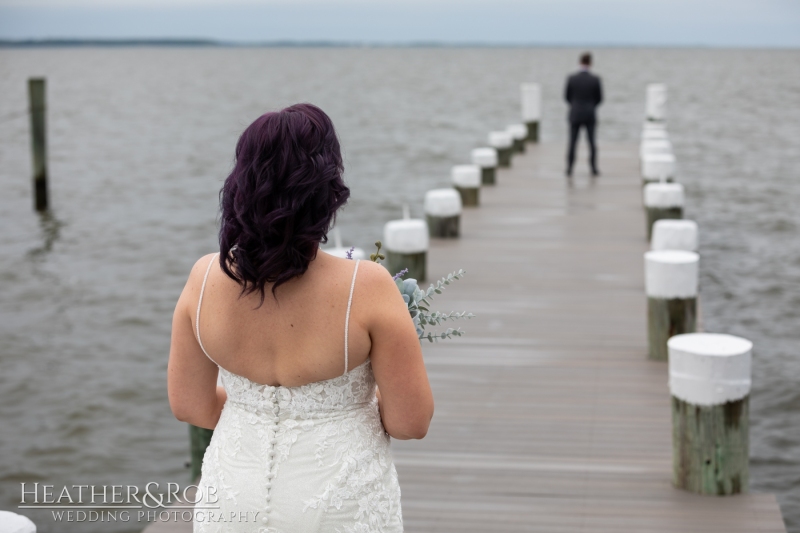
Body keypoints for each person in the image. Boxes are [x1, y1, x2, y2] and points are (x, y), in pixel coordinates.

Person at [167, 103, 433, 532]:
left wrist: (255, 416)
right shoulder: (365, 288)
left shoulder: (203, 280)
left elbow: (190, 405)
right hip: (337, 505)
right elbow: (410, 422)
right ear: (327, 189)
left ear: (240, 185)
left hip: (232, 498)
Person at [564, 52, 603, 177]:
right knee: (591, 142)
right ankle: (593, 168)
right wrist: (590, 106)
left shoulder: (571, 78)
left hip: (575, 113)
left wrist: (575, 105)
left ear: (580, 62)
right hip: (590, 113)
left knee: (572, 142)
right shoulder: (595, 79)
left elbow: (566, 97)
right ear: (590, 63)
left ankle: (569, 168)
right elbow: (600, 98)